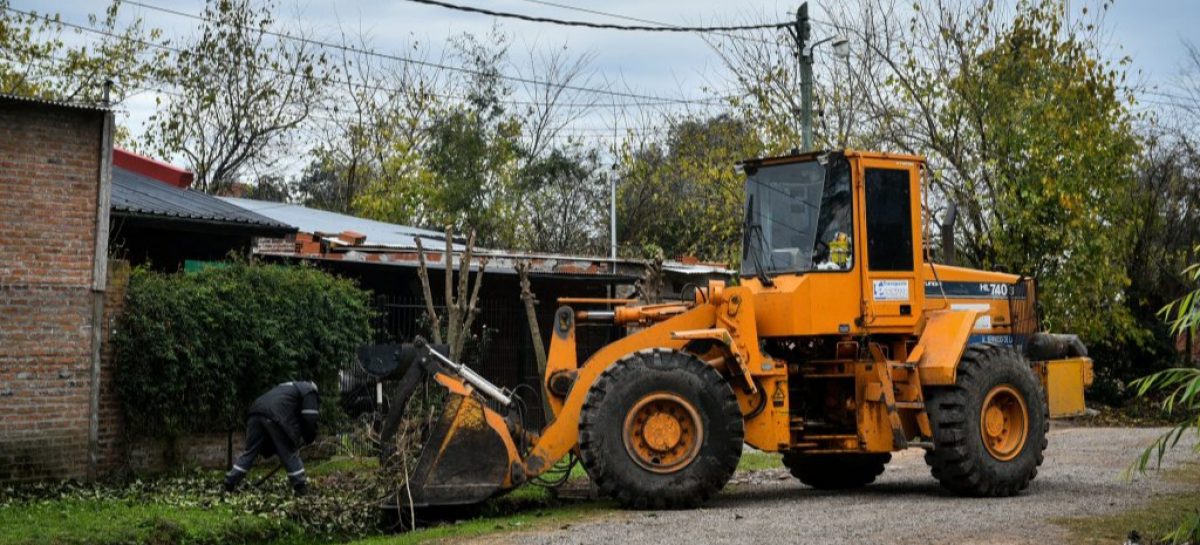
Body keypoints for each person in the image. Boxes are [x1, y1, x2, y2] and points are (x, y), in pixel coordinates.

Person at [223, 381, 320, 496]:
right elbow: (309, 418)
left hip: (255, 413)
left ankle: (230, 482)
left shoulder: (288, 387)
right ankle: (301, 487)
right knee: (289, 452)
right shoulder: (310, 391)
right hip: (275, 416)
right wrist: (310, 437)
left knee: (250, 452)